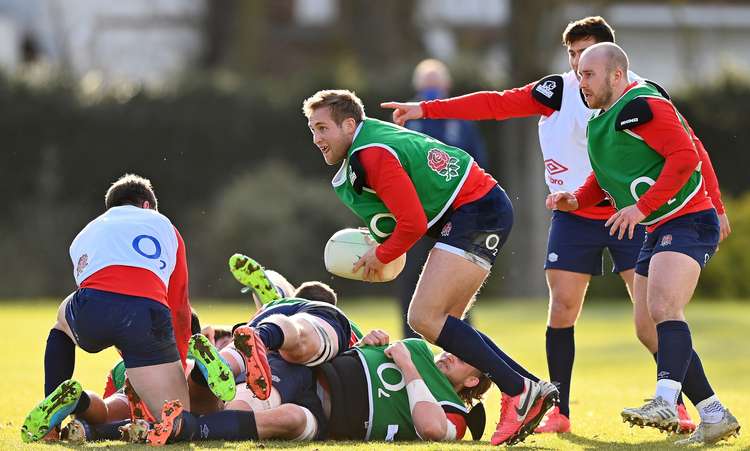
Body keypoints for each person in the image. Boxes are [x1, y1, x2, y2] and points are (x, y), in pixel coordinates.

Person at [381, 15, 730, 434]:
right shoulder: (562, 91)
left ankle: (685, 406)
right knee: (563, 308)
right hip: (580, 214)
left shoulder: (642, 99)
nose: (576, 70)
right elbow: (497, 103)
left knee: (654, 318)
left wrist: (715, 204)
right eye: (571, 57)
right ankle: (560, 410)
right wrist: (426, 108)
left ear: (612, 63)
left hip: (639, 215)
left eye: (584, 59)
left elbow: (690, 150)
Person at [302, 89, 558, 445]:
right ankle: (530, 388)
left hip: (475, 210)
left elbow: (412, 224)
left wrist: (382, 254)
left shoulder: (370, 154)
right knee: (446, 325)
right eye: (312, 129)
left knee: (423, 317)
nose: (317, 139)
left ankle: (520, 390)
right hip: (481, 206)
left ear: (349, 124)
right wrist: (382, 241)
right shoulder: (368, 140)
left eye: (322, 128)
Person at [547, 42, 740, 446]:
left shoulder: (644, 104)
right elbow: (606, 176)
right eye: (580, 74)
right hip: (659, 226)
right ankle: (714, 413)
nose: (581, 82)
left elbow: (686, 157)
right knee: (646, 327)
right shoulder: (601, 120)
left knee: (664, 307)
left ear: (617, 75)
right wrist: (577, 199)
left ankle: (666, 400)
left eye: (588, 74)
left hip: (688, 219)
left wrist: (641, 207)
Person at [21, 174, 194, 443]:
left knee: (62, 320)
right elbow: (179, 308)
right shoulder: (164, 225)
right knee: (180, 416)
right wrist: (176, 362)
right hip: (146, 316)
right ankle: (165, 423)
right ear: (147, 206)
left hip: (92, 308)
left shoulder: (86, 232)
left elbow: (100, 289)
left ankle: (53, 417)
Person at [397, 58, 488, 339]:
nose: (432, 90)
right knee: (410, 277)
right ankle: (411, 342)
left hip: (457, 213)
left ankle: (464, 341)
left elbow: (479, 162)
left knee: (458, 278)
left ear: (447, 86)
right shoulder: (406, 118)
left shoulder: (461, 120)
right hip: (416, 214)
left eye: (436, 84)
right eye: (427, 85)